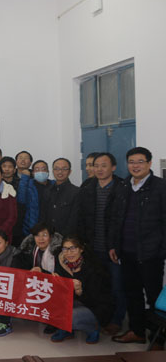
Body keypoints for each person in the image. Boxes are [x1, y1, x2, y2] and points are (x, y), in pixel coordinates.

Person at [111, 147, 166, 345]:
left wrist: (161, 250)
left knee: (154, 296)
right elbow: (116, 219)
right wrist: (114, 246)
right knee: (132, 293)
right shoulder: (123, 186)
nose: (135, 166)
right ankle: (137, 331)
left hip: (151, 254)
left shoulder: (160, 187)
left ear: (149, 163)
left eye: (140, 161)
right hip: (127, 252)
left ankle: (158, 338)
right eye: (131, 162)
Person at [76, 152, 127, 335]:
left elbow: (124, 221)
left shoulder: (123, 188)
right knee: (96, 286)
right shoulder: (88, 187)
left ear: (113, 167)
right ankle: (97, 318)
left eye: (104, 165)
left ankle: (116, 320)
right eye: (95, 165)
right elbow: (81, 218)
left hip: (114, 249)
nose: (99, 169)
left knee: (117, 287)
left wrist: (117, 246)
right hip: (92, 248)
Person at [51, 235, 114, 344]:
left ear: (81, 249)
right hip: (76, 302)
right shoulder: (61, 263)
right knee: (50, 307)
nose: (69, 253)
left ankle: (92, 329)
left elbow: (96, 299)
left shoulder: (93, 267)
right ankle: (68, 329)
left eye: (73, 248)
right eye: (65, 249)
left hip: (96, 307)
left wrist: (79, 291)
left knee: (69, 316)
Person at [39, 158, 79, 236]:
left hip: (67, 238)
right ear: (53, 171)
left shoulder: (76, 192)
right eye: (56, 169)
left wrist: (63, 238)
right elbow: (43, 216)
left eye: (64, 169)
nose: (60, 172)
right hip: (49, 236)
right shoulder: (47, 191)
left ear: (70, 171)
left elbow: (74, 220)